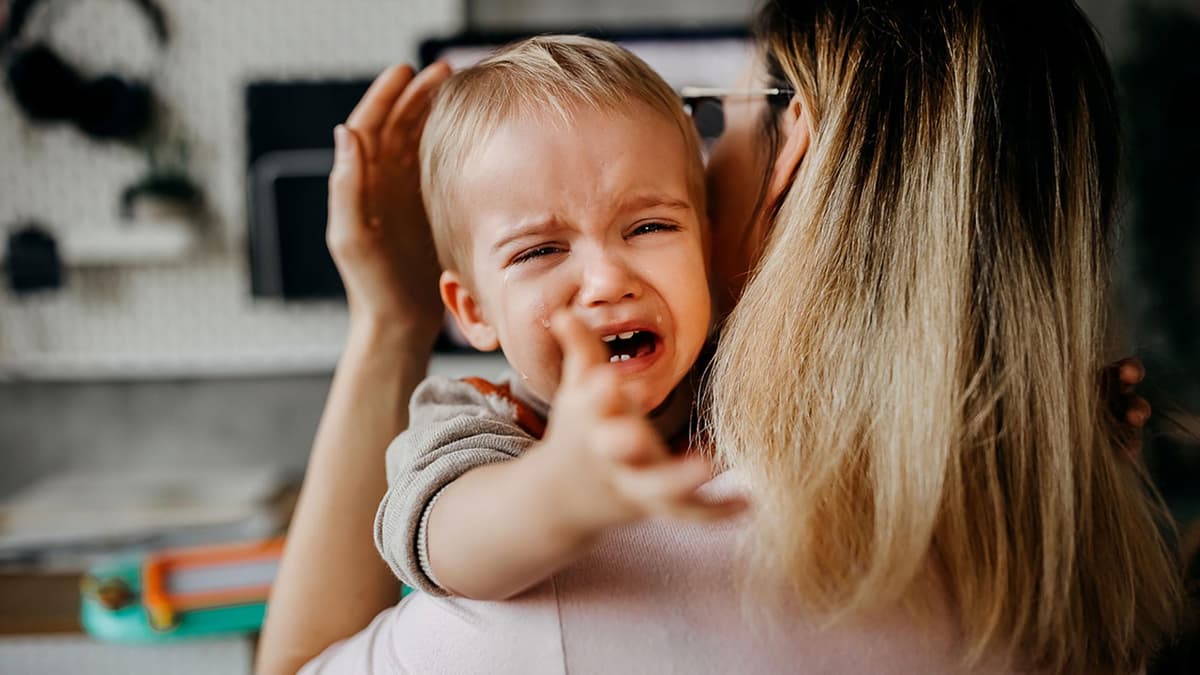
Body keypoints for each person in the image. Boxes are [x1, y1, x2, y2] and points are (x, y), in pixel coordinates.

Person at [257, 2, 1180, 674]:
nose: (609, 275)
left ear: (793, 147)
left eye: (716, 118)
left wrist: (388, 325)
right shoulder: (1064, 529)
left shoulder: (584, 586)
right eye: (542, 245)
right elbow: (445, 521)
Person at [373, 35, 742, 602]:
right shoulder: (471, 419)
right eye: (540, 251)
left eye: (649, 228)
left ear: (706, 249)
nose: (607, 282)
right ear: (473, 311)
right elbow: (447, 542)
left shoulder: (747, 375)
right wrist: (557, 491)